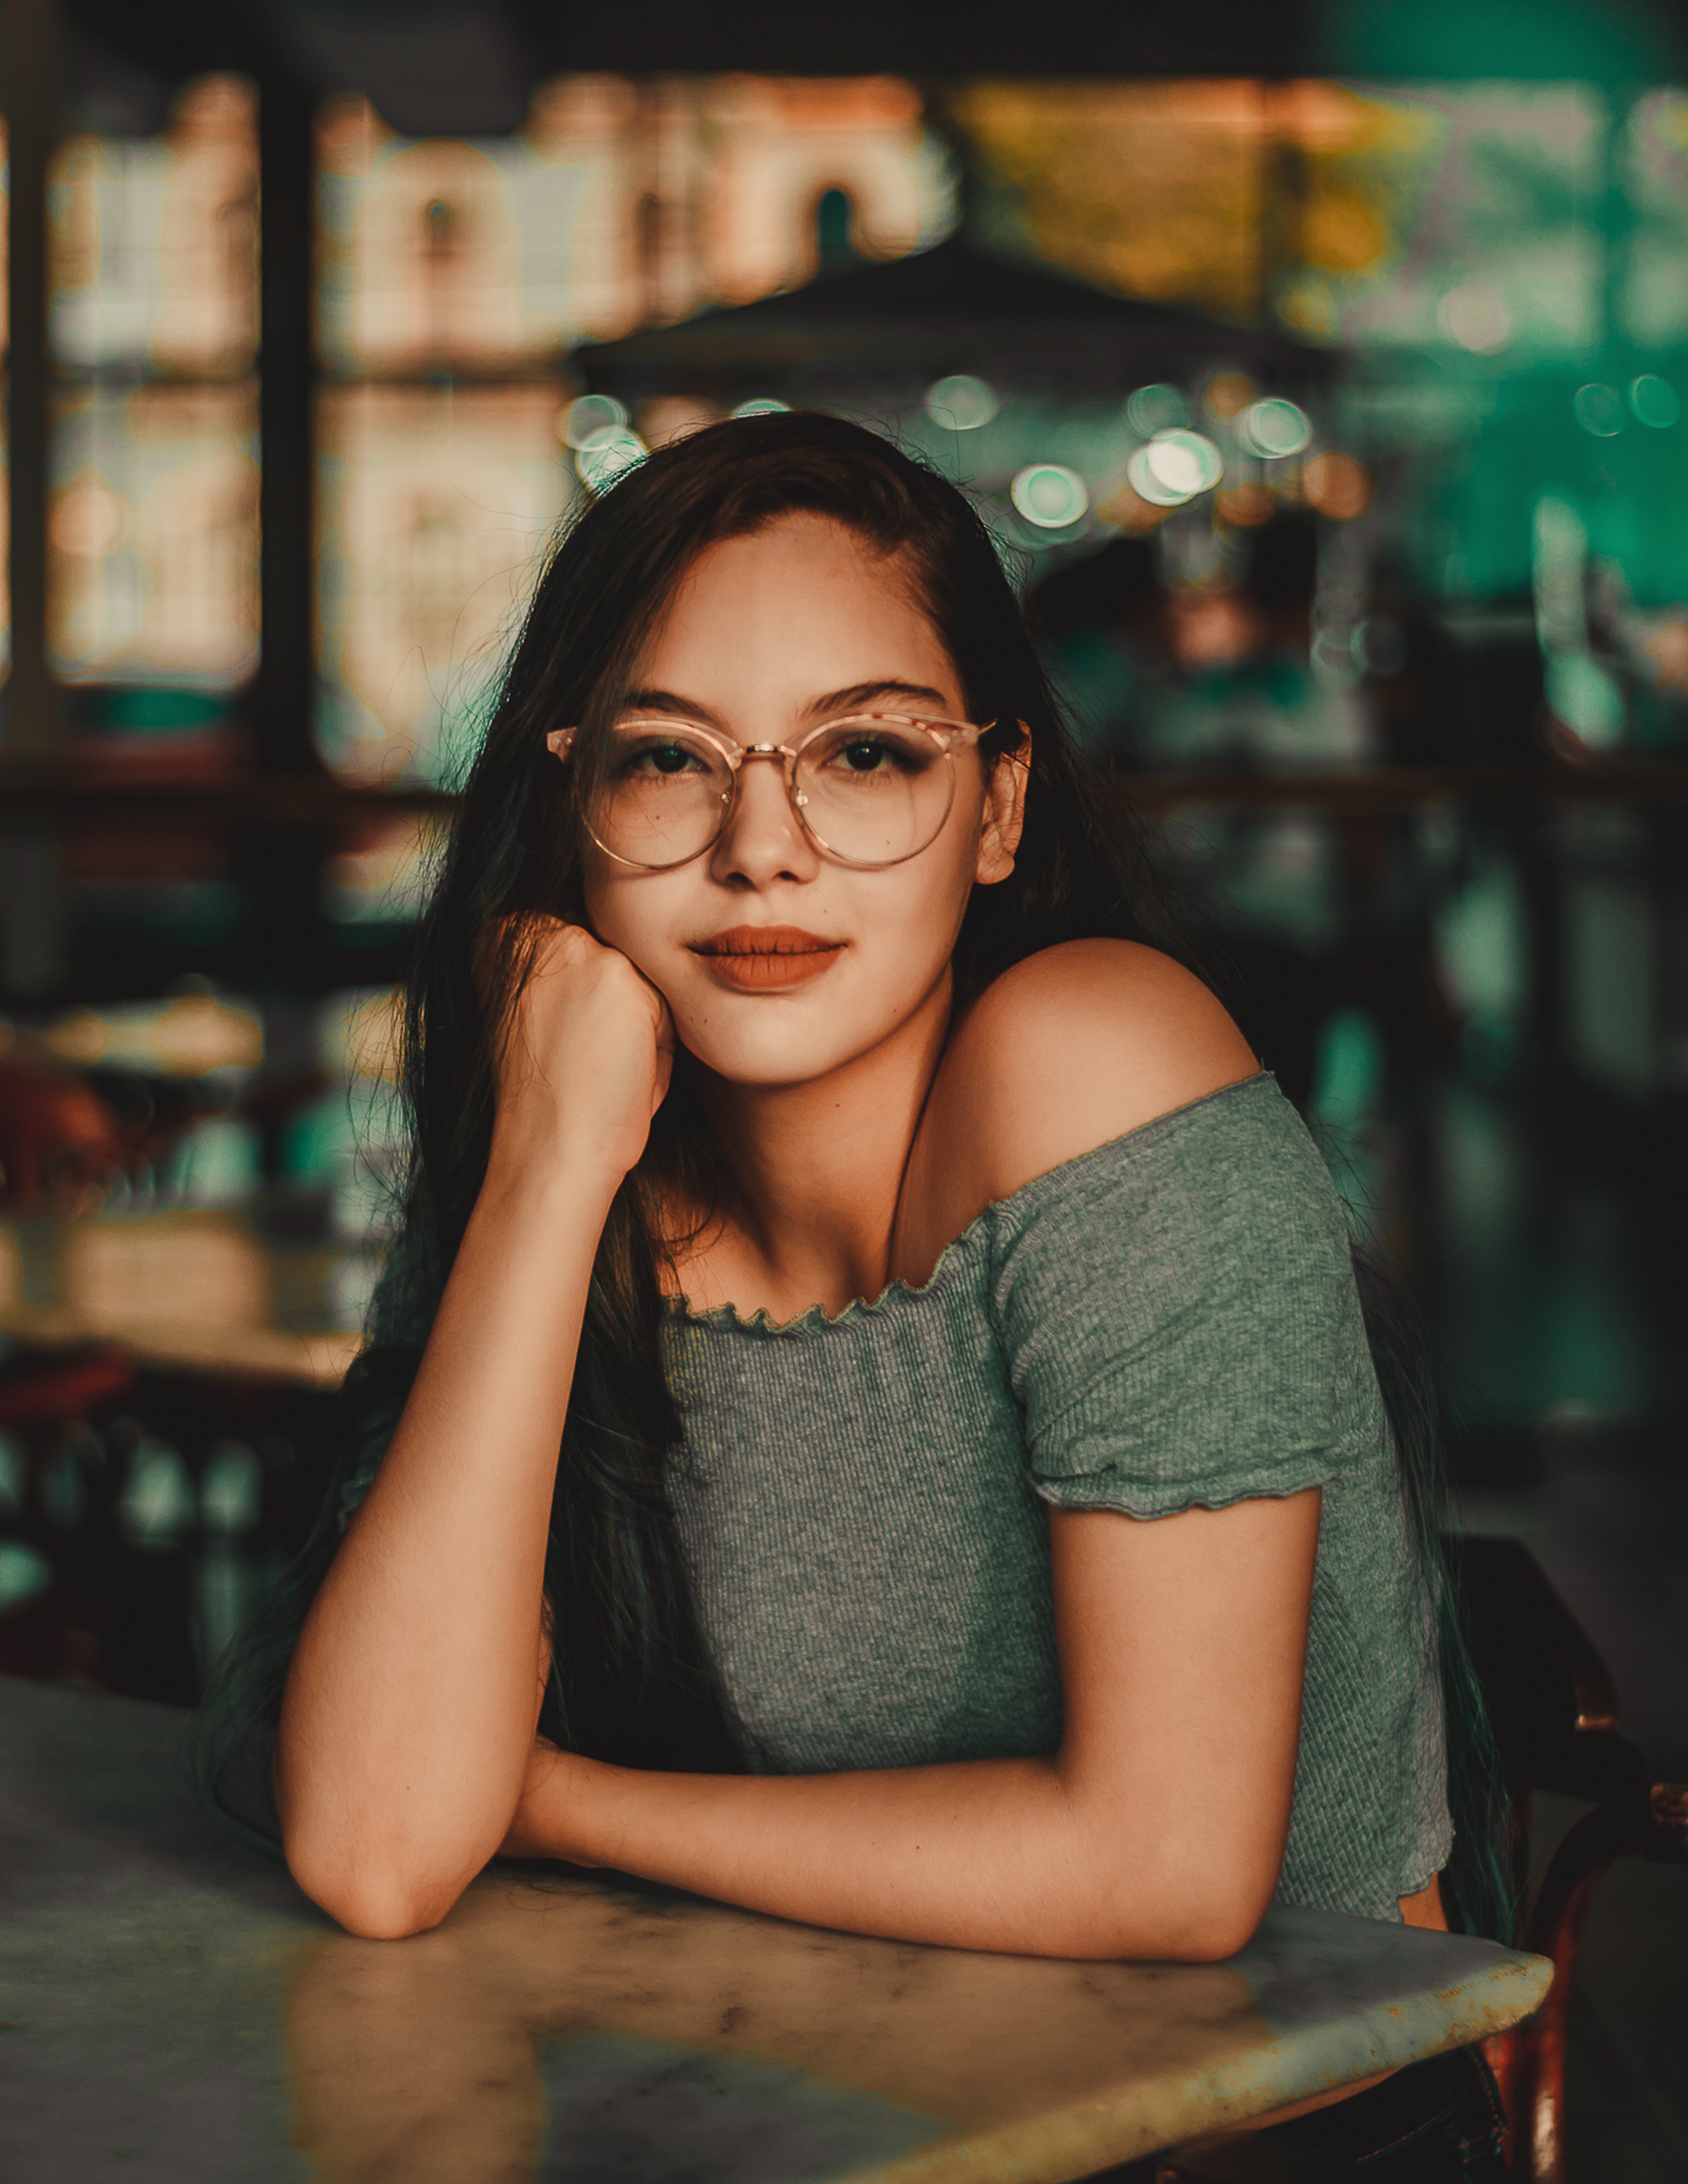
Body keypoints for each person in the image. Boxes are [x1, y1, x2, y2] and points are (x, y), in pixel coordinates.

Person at [196, 413, 1510, 2176]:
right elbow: (374, 1845)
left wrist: (558, 1798)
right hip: (822, 2114)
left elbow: (1170, 1867)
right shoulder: (566, 1149)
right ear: (569, 804)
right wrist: (539, 1176)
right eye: (669, 762)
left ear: (1000, 807)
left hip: (1270, 2136)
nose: (763, 847)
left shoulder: (1094, 1059)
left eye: (867, 754)